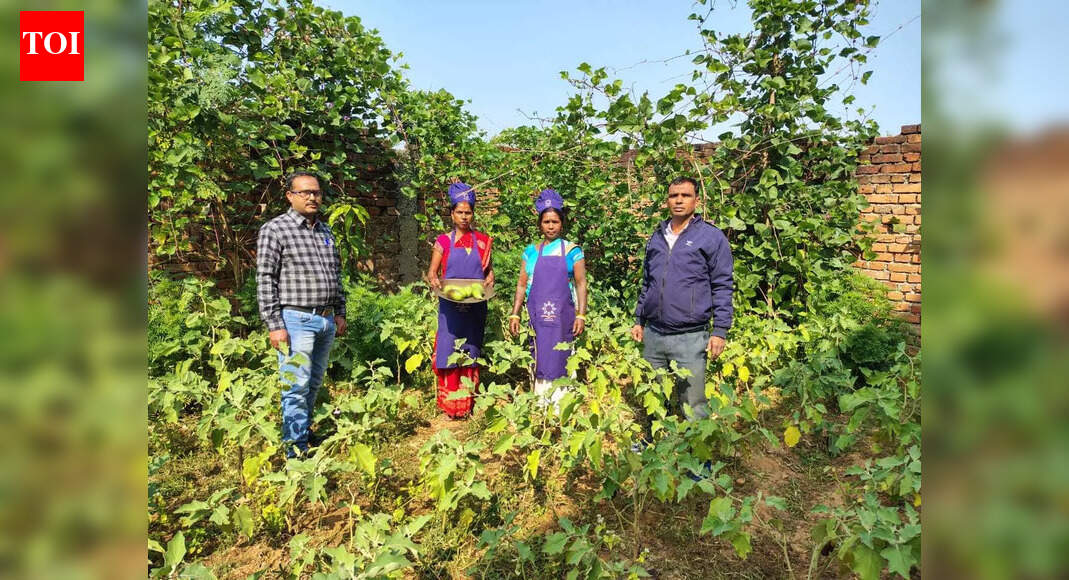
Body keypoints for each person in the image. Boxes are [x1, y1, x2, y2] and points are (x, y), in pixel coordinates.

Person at [257, 171, 347, 458]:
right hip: (295, 320)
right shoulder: (276, 229)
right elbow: (265, 278)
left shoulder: (325, 231)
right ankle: (295, 452)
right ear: (290, 196)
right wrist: (275, 324)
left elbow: (336, 274)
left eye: (316, 192)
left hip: (325, 320)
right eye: (305, 192)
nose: (312, 197)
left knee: (314, 382)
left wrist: (340, 312)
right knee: (295, 386)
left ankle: (303, 433)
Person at [631, 176, 733, 426]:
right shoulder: (657, 236)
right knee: (653, 397)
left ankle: (698, 463)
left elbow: (722, 285)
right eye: (673, 195)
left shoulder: (711, 238)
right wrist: (639, 319)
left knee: (693, 402)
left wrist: (719, 331)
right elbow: (648, 282)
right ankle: (651, 447)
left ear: (696, 201)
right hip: (654, 334)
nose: (678, 200)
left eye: (685, 195)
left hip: (690, 336)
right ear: (667, 201)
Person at [507, 189, 588, 408]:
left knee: (562, 357)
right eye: (546, 222)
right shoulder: (530, 252)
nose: (550, 226)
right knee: (539, 355)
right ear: (540, 224)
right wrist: (515, 313)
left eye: (555, 221)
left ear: (562, 223)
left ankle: (563, 406)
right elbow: (522, 284)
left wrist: (581, 314)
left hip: (563, 319)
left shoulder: (573, 251)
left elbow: (581, 284)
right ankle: (542, 406)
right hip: (538, 318)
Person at [426, 182, 494, 419]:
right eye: (460, 212)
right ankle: (449, 406)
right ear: (452, 214)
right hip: (450, 305)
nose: (464, 217)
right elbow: (432, 273)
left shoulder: (484, 241)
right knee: (448, 349)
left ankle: (468, 404)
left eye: (468, 212)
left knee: (471, 349)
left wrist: (489, 282)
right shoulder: (443, 241)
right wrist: (435, 283)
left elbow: (488, 273)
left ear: (473, 213)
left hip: (476, 304)